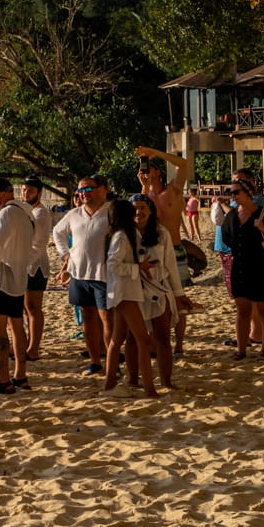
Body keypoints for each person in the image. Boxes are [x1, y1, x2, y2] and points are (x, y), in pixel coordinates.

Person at [134, 145, 195, 357]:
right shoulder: (146, 195)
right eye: (143, 169)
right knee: (151, 296)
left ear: (158, 171)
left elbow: (184, 164)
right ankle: (155, 342)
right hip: (152, 250)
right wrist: (145, 186)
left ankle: (178, 344)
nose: (146, 172)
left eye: (149, 168)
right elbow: (138, 216)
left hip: (175, 248)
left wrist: (156, 153)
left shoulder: (173, 189)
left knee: (179, 299)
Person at [53, 174, 113, 375]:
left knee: (107, 319)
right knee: (87, 317)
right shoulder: (74, 214)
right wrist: (65, 255)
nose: (83, 194)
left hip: (104, 274)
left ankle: (111, 360)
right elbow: (57, 232)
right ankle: (95, 361)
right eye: (80, 190)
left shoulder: (112, 212)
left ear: (103, 189)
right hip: (79, 274)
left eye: (88, 189)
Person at [0, 177, 34, 395]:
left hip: (1, 278)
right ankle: (20, 374)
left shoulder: (7, 213)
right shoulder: (24, 213)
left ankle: (4, 379)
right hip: (18, 276)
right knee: (17, 326)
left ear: (2, 193)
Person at [221, 176, 264, 360]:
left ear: (248, 193)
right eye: (230, 193)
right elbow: (227, 239)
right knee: (242, 311)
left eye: (235, 192)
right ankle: (241, 350)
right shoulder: (232, 216)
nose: (232, 196)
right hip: (240, 269)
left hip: (263, 269)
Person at [132, 194, 192, 389]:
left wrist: (179, 293)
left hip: (160, 287)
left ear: (150, 211)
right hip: (134, 290)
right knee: (133, 338)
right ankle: (133, 380)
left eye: (142, 207)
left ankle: (166, 381)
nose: (138, 212)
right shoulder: (125, 233)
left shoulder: (161, 233)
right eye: (135, 208)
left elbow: (171, 265)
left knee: (163, 337)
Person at [102, 199, 159, 397]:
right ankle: (149, 388)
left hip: (124, 291)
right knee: (143, 340)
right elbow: (113, 265)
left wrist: (139, 266)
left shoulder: (123, 235)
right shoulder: (122, 237)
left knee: (117, 340)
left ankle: (110, 383)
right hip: (124, 292)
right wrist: (138, 268)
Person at [21, 175, 54, 362]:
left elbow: (39, 244)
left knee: (33, 307)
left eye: (30, 191)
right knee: (24, 308)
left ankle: (34, 347)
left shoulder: (41, 213)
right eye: (24, 190)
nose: (26, 193)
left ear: (39, 193)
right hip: (23, 264)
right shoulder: (25, 210)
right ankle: (26, 343)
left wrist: (23, 262)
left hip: (35, 265)